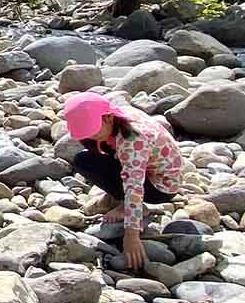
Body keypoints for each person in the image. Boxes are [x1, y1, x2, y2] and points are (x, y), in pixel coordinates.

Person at [61, 90, 186, 271]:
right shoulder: (118, 115)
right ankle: (121, 200)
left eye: (93, 130)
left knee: (85, 161)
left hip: (162, 187)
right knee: (85, 156)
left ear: (108, 118)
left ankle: (129, 206)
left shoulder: (133, 139)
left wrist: (131, 236)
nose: (91, 135)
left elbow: (134, 186)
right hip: (143, 167)